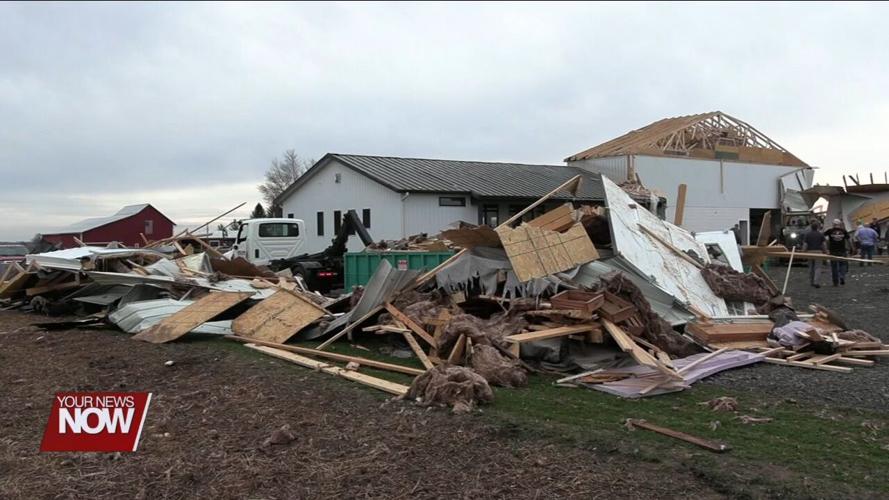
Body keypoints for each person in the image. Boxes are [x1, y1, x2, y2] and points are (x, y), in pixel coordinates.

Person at [824, 219, 852, 286]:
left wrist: (827, 243)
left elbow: (822, 236)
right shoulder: (843, 231)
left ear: (833, 224)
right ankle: (842, 276)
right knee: (843, 264)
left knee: (834, 267)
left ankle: (835, 282)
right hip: (842, 250)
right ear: (839, 224)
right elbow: (848, 240)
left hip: (833, 251)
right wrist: (852, 248)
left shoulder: (830, 231)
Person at [802, 221, 825, 288]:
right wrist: (825, 251)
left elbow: (805, 244)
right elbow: (823, 244)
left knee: (811, 267)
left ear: (811, 227)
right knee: (818, 267)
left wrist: (803, 252)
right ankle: (816, 282)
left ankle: (811, 282)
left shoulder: (807, 235)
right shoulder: (820, 234)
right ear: (817, 227)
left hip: (810, 252)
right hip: (818, 252)